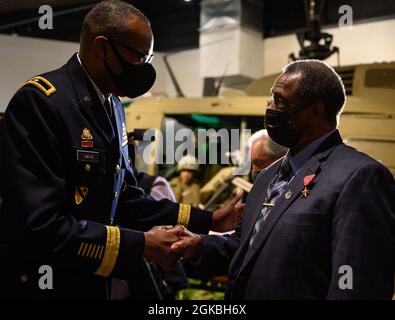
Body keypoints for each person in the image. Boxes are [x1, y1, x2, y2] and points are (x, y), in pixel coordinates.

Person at [0, 0, 242, 299]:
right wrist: (140, 245)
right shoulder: (42, 103)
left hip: (91, 283)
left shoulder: (112, 104)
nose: (144, 68)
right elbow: (39, 227)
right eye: (139, 56)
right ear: (102, 47)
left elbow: (125, 197)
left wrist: (210, 219)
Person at [171, 59, 395, 299]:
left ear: (315, 111)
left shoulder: (359, 176)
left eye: (281, 101)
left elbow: (355, 283)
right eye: (271, 100)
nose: (271, 108)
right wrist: (199, 245)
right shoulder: (267, 176)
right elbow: (249, 247)